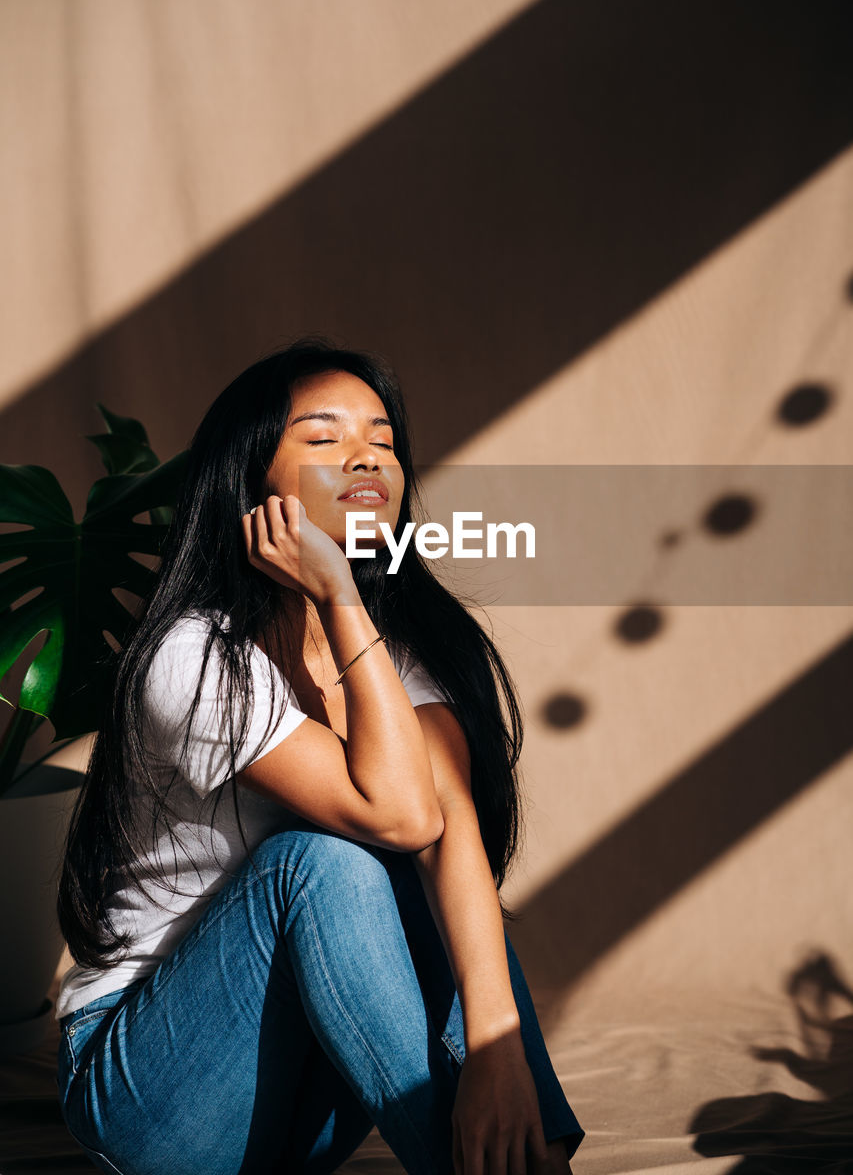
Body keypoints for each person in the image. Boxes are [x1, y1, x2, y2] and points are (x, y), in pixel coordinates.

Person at [56, 337, 585, 1175]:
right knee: (323, 860)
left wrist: (498, 1054)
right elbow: (400, 817)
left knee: (441, 898)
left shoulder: (400, 648)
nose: (366, 455)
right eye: (322, 436)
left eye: (382, 437)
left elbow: (447, 839)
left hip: (297, 1100)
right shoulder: (192, 658)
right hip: (150, 1091)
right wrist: (337, 590)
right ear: (252, 480)